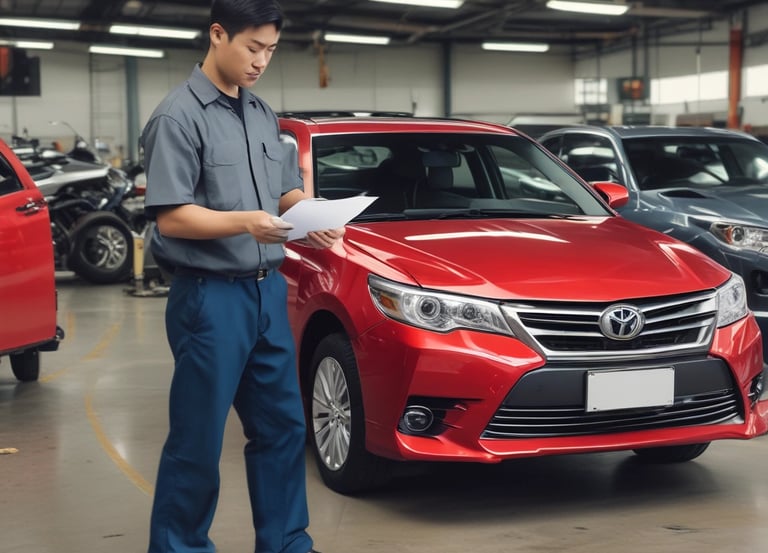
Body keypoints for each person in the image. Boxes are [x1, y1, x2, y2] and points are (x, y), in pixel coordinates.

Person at [140, 1, 342, 552]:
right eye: (253, 48)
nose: (261, 61)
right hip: (209, 301)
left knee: (282, 429)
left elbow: (282, 190)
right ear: (218, 34)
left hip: (266, 295)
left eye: (271, 51)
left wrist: (312, 215)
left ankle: (285, 544)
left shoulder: (260, 114)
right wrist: (246, 223)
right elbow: (172, 214)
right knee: (198, 441)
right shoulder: (176, 117)